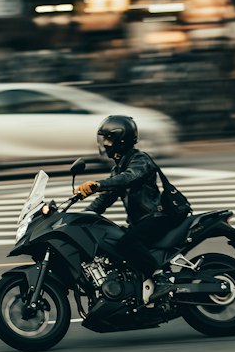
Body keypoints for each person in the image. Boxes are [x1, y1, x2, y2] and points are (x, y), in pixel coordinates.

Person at [76, 114, 189, 305]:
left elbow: (130, 177)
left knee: (127, 243)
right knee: (113, 243)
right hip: (141, 222)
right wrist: (78, 217)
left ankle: (160, 279)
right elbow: (103, 201)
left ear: (122, 140)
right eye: (103, 139)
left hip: (157, 217)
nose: (104, 143)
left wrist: (98, 184)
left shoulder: (140, 160)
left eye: (108, 139)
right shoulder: (118, 169)